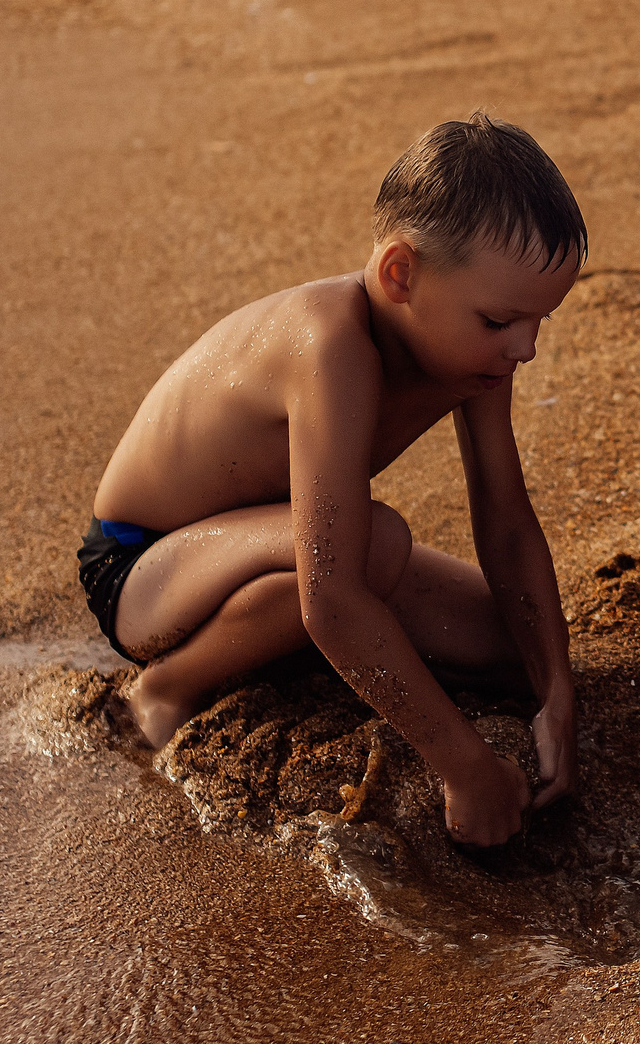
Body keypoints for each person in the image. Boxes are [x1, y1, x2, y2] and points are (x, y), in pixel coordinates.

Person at [79, 113, 584, 847]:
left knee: (518, 648)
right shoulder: (331, 341)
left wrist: (556, 691)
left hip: (275, 542)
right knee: (370, 547)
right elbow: (334, 595)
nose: (526, 347)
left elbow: (505, 521)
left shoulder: (479, 355)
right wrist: (462, 764)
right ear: (400, 274)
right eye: (502, 319)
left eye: (539, 321)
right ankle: (169, 687)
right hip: (144, 567)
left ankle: (269, 646)